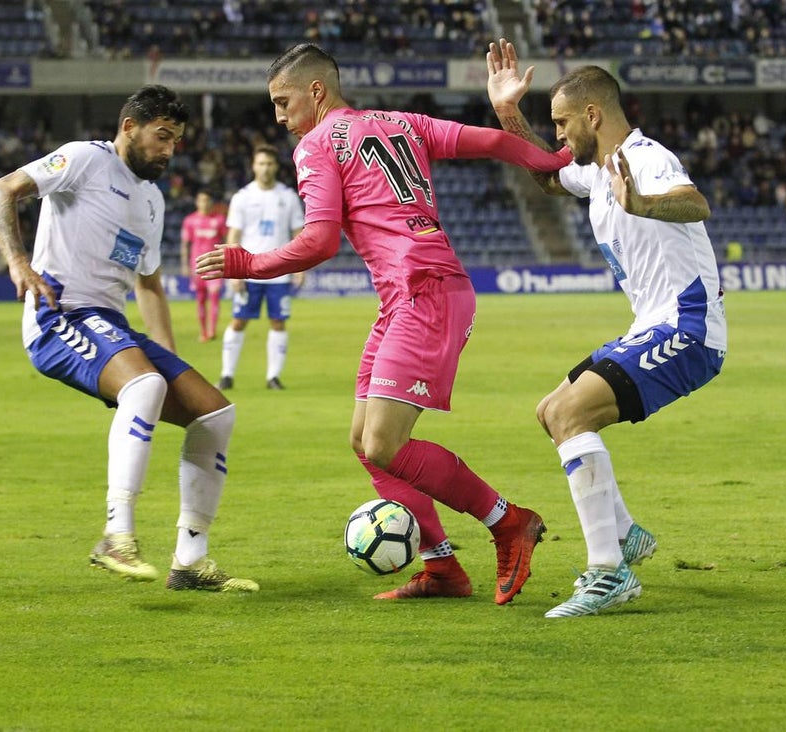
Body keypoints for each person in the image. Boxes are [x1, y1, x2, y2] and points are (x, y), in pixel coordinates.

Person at [197, 43, 568, 605]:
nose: (279, 116)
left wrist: (247, 263)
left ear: (316, 91)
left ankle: (508, 521)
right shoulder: (401, 122)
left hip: (425, 293)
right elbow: (491, 141)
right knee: (365, 443)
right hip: (413, 295)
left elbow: (319, 241)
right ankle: (443, 568)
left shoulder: (317, 145)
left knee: (385, 443)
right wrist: (559, 162)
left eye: (282, 101)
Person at [0, 85, 257, 593]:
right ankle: (116, 534)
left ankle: (190, 562)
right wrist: (17, 261)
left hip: (109, 324)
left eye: (175, 140)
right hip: (58, 315)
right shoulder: (85, 159)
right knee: (145, 387)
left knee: (216, 416)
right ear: (129, 126)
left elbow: (148, 284)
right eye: (162, 136)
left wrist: (170, 356)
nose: (170, 150)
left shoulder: (152, 199)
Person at [485, 40, 727, 617]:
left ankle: (608, 572)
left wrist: (643, 204)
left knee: (572, 415)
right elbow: (547, 177)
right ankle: (623, 535)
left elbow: (695, 204)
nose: (561, 136)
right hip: (652, 324)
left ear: (593, 114)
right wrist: (506, 115)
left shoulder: (644, 159)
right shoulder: (597, 173)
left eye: (563, 123)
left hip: (687, 328)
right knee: (551, 410)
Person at [218, 144, 305, 391]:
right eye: (261, 163)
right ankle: (227, 375)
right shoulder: (242, 197)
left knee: (278, 322)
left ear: (275, 166)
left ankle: (273, 377)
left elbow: (298, 232)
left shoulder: (288, 197)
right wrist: (232, 269)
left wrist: (300, 266)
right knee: (238, 321)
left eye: (269, 164)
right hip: (248, 270)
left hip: (279, 271)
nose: (265, 168)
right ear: (253, 166)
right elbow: (234, 233)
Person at [180, 188, 228, 343]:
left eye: (207, 200)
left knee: (214, 297)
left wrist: (227, 260)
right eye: (201, 200)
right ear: (197, 202)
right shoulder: (190, 220)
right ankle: (203, 332)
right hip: (197, 265)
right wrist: (184, 264)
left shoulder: (219, 220)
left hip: (214, 264)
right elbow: (185, 244)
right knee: (200, 299)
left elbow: (226, 241)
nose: (204, 203)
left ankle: (212, 330)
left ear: (211, 202)